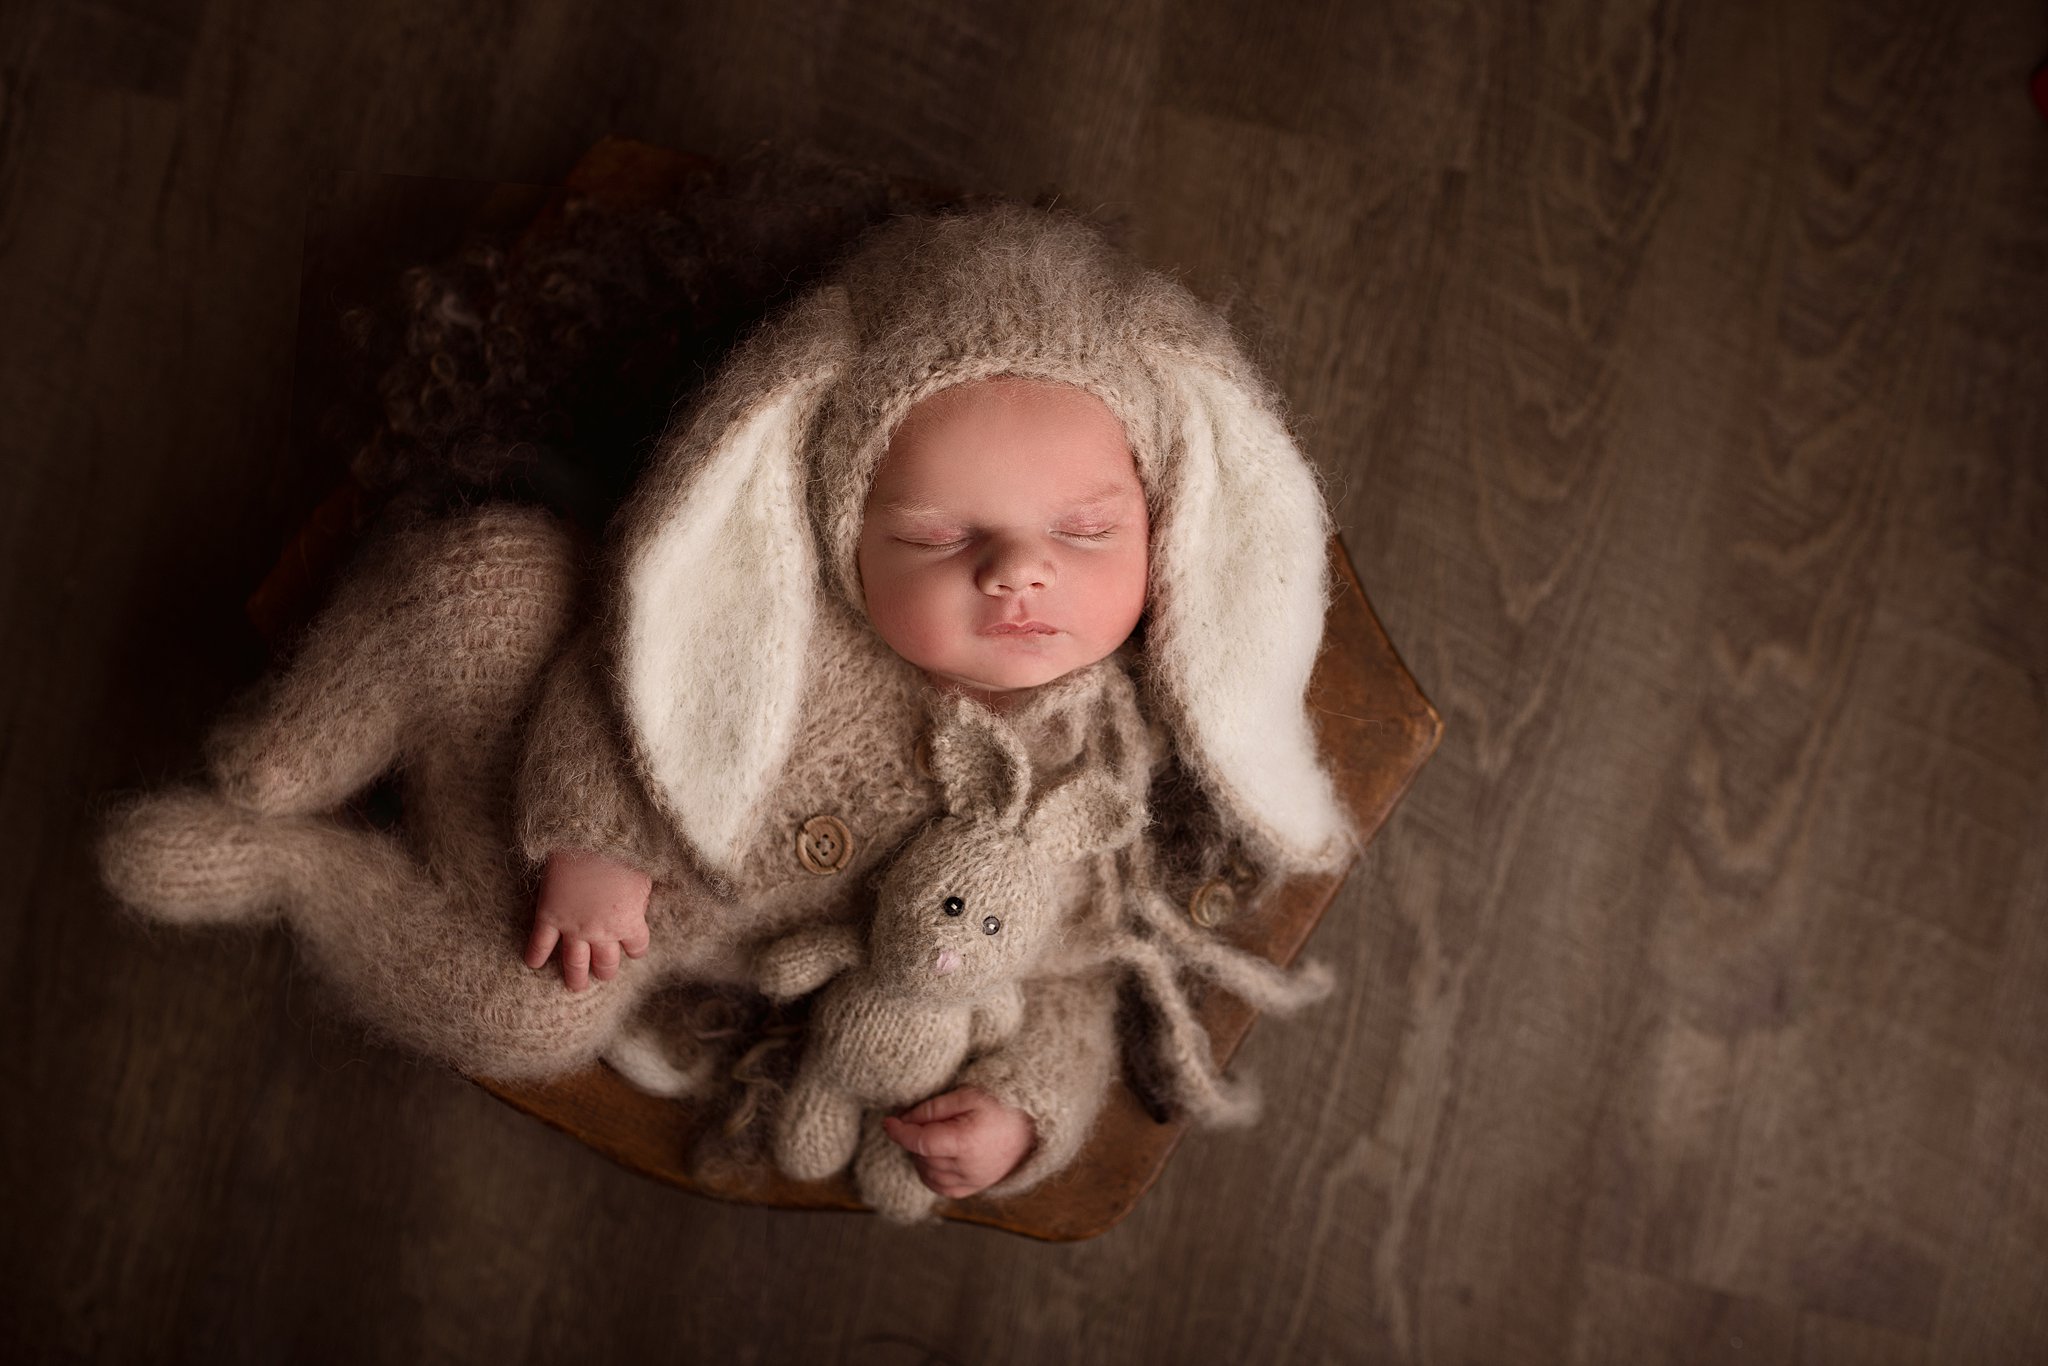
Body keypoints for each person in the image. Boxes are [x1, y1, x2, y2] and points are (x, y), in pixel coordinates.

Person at [100, 204, 1351, 1209]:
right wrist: (605, 842)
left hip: (619, 937)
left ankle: (293, 871)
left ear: (1168, 530)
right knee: (496, 588)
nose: (1017, 573)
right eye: (936, 533)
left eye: (1084, 532)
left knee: (523, 1012)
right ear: (837, 525)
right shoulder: (778, 608)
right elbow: (633, 677)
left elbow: (1068, 974)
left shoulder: (1099, 779)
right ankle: (289, 752)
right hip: (553, 758)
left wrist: (1024, 1108)